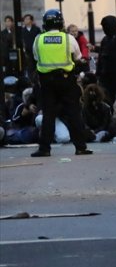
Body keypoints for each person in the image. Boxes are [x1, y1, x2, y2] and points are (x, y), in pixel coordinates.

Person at [28, 9, 93, 157]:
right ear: (61, 23)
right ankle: (80, 147)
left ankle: (44, 148)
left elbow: (36, 57)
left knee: (48, 115)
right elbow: (77, 56)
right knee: (74, 113)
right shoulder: (68, 38)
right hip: (66, 80)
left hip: (46, 82)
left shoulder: (38, 39)